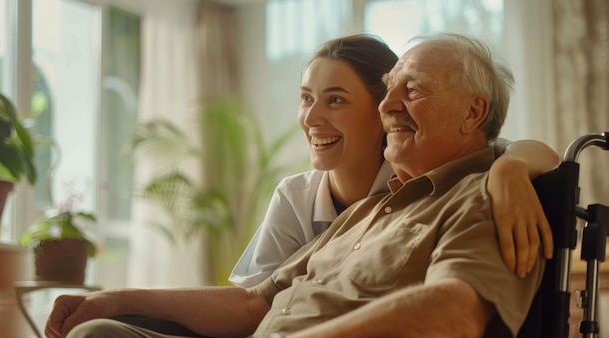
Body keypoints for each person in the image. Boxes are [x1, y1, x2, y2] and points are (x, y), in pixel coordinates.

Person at [46, 33, 546, 338]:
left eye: (410, 90)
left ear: (473, 113)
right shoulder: (372, 206)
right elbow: (253, 303)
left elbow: (455, 309)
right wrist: (112, 299)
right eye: (388, 88)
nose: (387, 105)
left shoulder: (481, 195)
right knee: (98, 334)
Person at [229, 34, 558, 287]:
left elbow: (521, 150)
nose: (311, 117)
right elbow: (254, 300)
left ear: (379, 109)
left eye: (335, 100)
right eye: (306, 98)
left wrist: (510, 169)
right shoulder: (295, 196)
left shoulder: (419, 171)